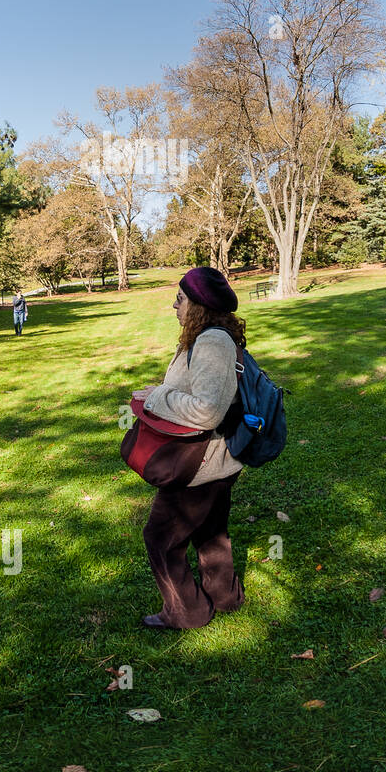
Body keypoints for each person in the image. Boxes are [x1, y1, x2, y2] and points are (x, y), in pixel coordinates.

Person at [131, 267, 250, 629]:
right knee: (211, 531)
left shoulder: (213, 342)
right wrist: (162, 392)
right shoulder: (207, 337)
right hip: (218, 461)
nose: (174, 305)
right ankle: (225, 597)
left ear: (199, 304)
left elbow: (207, 410)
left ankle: (188, 612)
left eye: (180, 299)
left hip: (201, 464)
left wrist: (158, 397)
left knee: (160, 537)